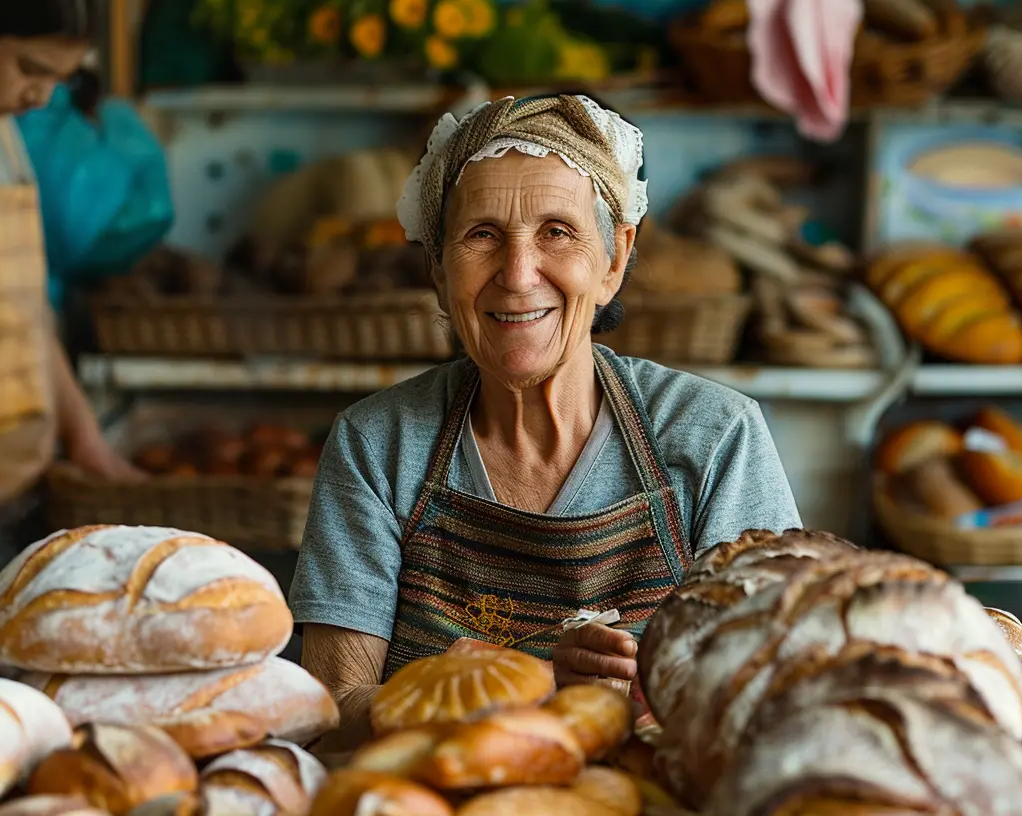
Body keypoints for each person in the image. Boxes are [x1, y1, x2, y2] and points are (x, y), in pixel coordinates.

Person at [291, 94, 803, 745]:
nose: (518, 273)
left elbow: (776, 696)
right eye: (481, 236)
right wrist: (495, 698)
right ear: (439, 270)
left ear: (614, 260)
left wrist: (634, 702)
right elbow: (330, 713)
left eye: (557, 232)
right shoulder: (379, 444)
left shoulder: (711, 435)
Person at [0, 0, 142, 578]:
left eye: (58, 80)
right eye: (29, 68)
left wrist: (84, 436)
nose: (40, 96)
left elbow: (28, 305)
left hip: (12, 472)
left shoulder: (5, 139)